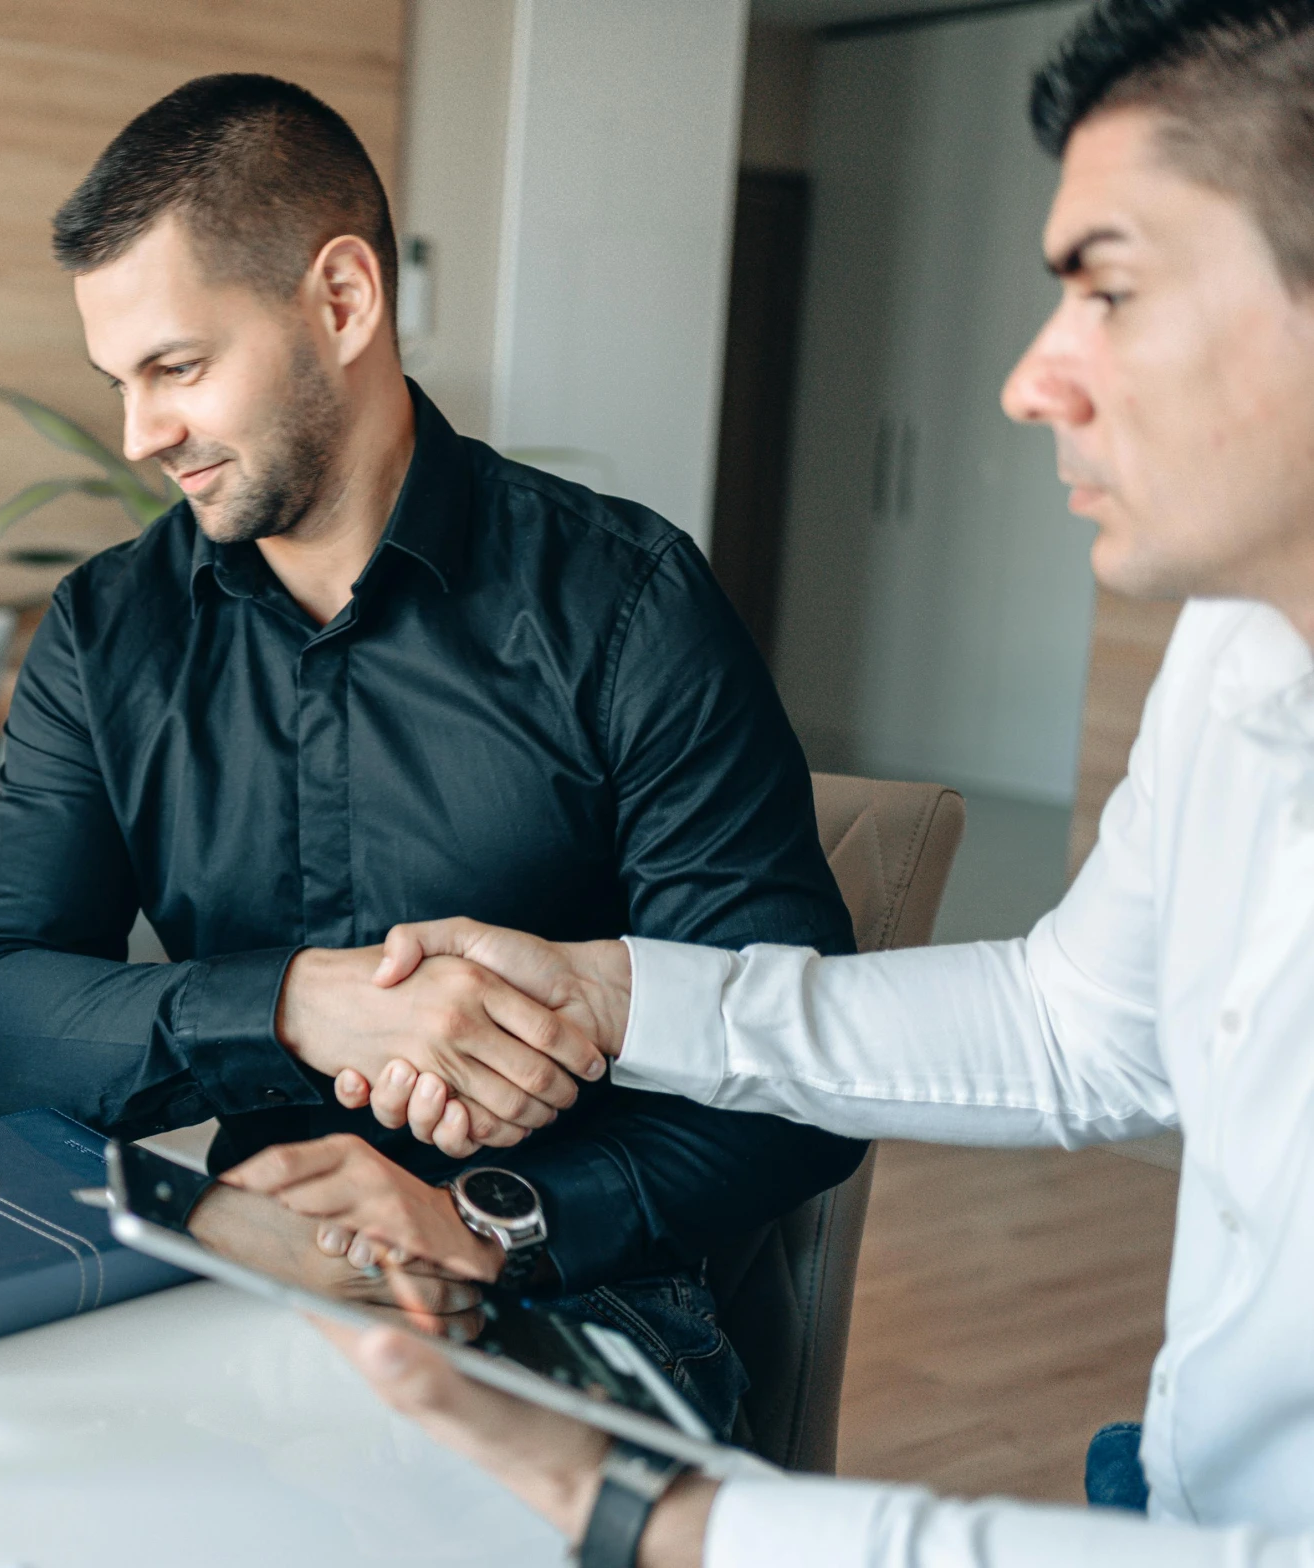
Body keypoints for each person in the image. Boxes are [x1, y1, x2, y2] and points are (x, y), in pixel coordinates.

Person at [286, 1, 1314, 1562]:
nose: (1030, 381)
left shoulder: (620, 595)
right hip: (1166, 1482)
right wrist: (606, 995)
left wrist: (655, 1508)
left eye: (1107, 289)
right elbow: (1071, 1030)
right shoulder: (1241, 652)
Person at [0, 72, 865, 1434]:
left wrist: (481, 1215)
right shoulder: (107, 630)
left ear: (344, 299)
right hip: (245, 1275)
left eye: (177, 367)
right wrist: (298, 1005)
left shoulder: (625, 604)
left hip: (569, 1290)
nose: (138, 438)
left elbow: (802, 1073)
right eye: (119, 383)